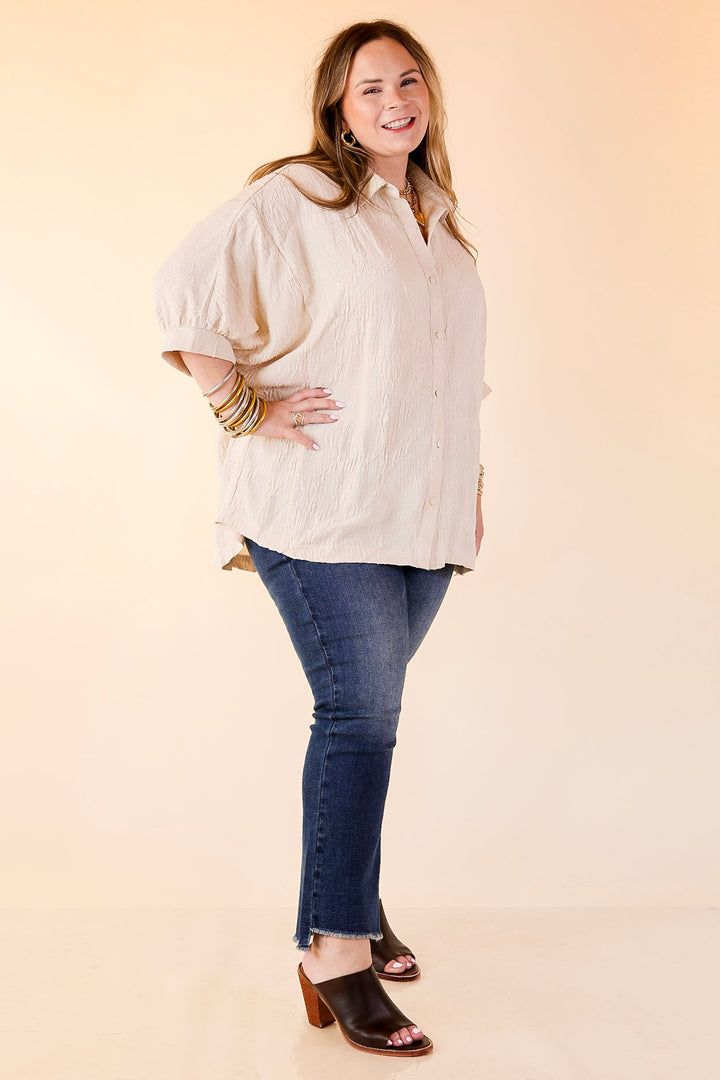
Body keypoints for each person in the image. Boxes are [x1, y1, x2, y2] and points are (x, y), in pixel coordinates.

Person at [152, 18, 491, 1058]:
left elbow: (441, 372)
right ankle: (335, 951)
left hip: (422, 518)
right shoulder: (298, 196)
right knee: (360, 716)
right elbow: (184, 288)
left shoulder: (438, 219)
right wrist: (242, 407)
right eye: (370, 88)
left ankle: (355, 903)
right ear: (338, 109)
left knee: (367, 714)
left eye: (409, 82)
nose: (396, 102)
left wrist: (469, 484)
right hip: (322, 507)